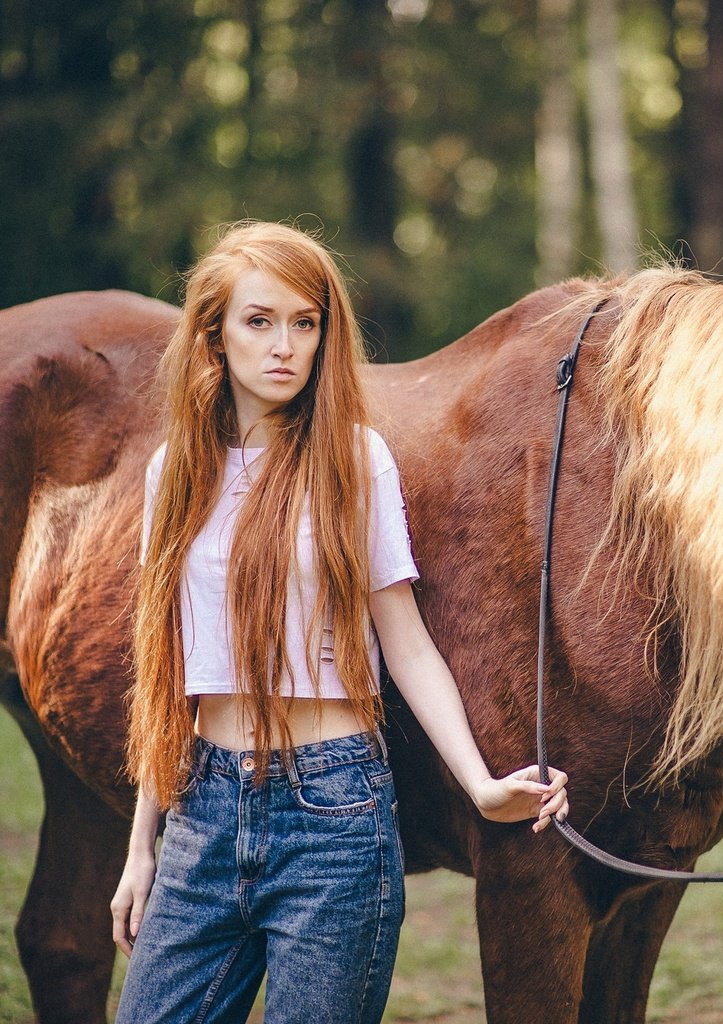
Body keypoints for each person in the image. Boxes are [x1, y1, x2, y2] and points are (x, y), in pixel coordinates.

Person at [110, 221, 569, 1024]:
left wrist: (481, 784)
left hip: (333, 815)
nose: (285, 345)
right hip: (202, 811)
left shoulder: (354, 460)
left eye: (305, 321)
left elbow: (406, 641)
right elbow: (170, 669)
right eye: (260, 321)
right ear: (215, 336)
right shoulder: (173, 471)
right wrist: (140, 846)